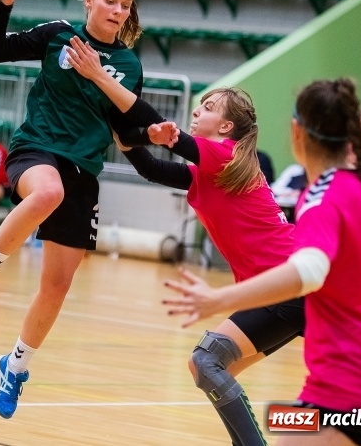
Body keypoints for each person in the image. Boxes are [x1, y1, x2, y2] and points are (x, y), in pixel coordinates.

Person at [164, 78, 361, 446]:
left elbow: (307, 271)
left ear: (297, 133)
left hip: (346, 390)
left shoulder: (322, 198)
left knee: (284, 422)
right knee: (284, 420)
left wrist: (220, 299)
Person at [0, 0, 161, 419]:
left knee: (57, 286)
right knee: (47, 192)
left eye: (125, 5)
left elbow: (125, 131)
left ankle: (15, 367)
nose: (118, 11)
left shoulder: (128, 65)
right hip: (38, 148)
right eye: (109, 0)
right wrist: (4, 4)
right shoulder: (56, 36)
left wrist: (155, 148)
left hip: (84, 170)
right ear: (89, 0)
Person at [76, 74, 299, 444]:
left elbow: (169, 134)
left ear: (226, 127)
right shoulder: (212, 168)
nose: (198, 109)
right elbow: (151, 168)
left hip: (284, 286)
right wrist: (123, 131)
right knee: (207, 369)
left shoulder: (223, 154)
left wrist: (103, 81)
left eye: (208, 107)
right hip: (285, 288)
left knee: (206, 361)